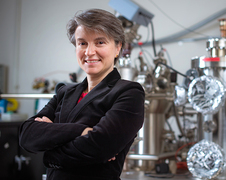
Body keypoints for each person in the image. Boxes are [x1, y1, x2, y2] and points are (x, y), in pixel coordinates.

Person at [19, 9, 145, 180]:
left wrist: (49, 153)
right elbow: (27, 135)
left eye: (100, 42)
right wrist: (81, 130)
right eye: (82, 43)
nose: (89, 52)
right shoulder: (65, 92)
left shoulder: (128, 93)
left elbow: (100, 146)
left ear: (117, 47)